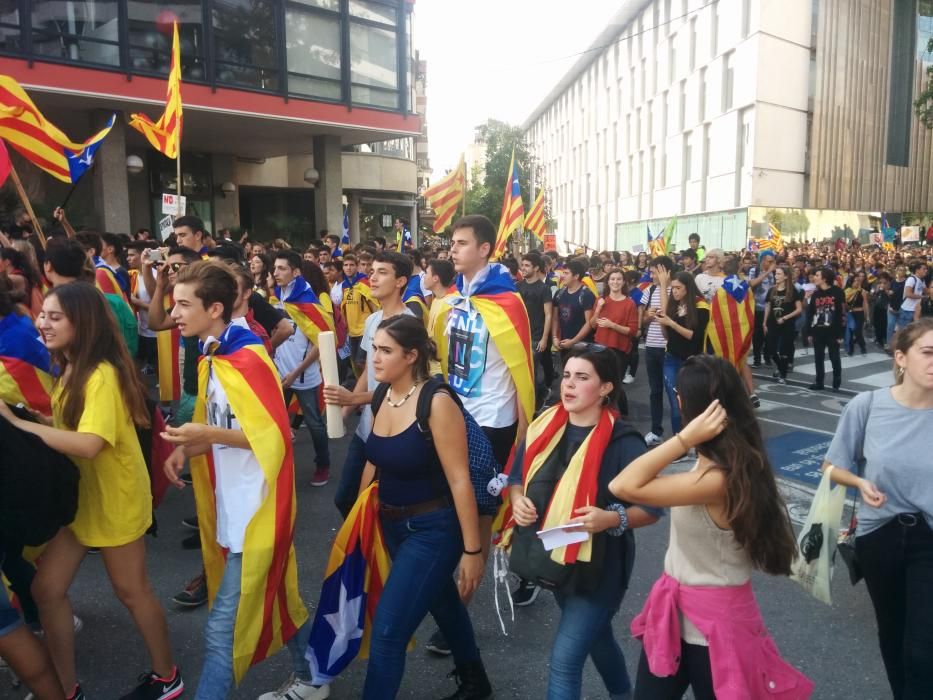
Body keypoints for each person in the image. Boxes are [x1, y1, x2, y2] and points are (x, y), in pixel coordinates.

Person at [0, 282, 182, 700]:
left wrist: (17, 425)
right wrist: (29, 419)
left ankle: (167, 676)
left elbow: (89, 443)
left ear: (82, 323)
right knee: (46, 591)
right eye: (42, 314)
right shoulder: (70, 366)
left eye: (55, 316)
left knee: (131, 592)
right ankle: (64, 688)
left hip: (114, 499)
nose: (42, 323)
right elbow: (69, 433)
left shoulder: (100, 374)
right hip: (82, 498)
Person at [161, 261, 320, 700]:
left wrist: (206, 436)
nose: (174, 314)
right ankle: (312, 677)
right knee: (280, 598)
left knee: (220, 633)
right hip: (235, 506)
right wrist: (186, 447)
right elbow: (224, 425)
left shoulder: (248, 357)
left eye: (183, 304)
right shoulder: (215, 353)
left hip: (259, 513)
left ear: (214, 308)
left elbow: (276, 436)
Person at [610, 355, 812, 700]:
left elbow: (623, 486)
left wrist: (683, 439)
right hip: (676, 615)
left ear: (684, 405)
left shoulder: (717, 479)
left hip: (716, 627)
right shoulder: (728, 464)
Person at [506, 345, 662, 700]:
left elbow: (652, 509)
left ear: (606, 388)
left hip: (599, 568)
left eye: (582, 377)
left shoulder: (624, 442)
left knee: (565, 660)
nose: (569, 385)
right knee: (597, 638)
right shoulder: (544, 424)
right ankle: (624, 694)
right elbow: (516, 478)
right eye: (566, 376)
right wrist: (519, 502)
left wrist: (610, 518)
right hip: (554, 559)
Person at [359, 315, 488, 699]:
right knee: (443, 603)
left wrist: (472, 550)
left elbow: (459, 479)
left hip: (432, 529)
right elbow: (374, 459)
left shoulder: (437, 401)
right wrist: (358, 520)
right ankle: (476, 681)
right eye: (375, 349)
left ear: (411, 355)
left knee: (387, 633)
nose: (375, 358)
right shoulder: (383, 394)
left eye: (385, 351)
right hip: (391, 523)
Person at [820, 318, 933, 700]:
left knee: (924, 648)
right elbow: (832, 466)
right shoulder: (867, 406)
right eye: (928, 352)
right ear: (901, 358)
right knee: (892, 633)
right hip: (879, 536)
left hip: (929, 539)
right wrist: (860, 482)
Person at [430, 215, 535, 610]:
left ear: (485, 249)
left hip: (494, 420)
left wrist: (524, 437)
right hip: (454, 413)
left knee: (481, 512)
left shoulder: (509, 303)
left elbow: (522, 370)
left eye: (460, 243)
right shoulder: (451, 302)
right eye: (452, 243)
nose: (452, 250)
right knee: (452, 506)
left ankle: (462, 605)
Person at [324, 251, 415, 517]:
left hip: (392, 431)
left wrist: (351, 399)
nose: (372, 278)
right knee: (347, 499)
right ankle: (366, 552)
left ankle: (377, 554)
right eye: (371, 271)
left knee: (379, 506)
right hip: (367, 428)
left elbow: (403, 388)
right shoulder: (373, 320)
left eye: (381, 272)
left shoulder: (409, 324)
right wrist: (346, 409)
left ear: (400, 281)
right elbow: (368, 373)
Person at [271, 250, 332, 487]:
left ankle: (323, 464)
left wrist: (296, 372)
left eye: (282, 268)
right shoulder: (276, 297)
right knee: (274, 421)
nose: (276, 273)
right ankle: (275, 465)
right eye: (275, 268)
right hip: (278, 373)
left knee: (315, 423)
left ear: (296, 272)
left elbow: (322, 344)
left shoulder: (309, 303)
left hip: (304, 375)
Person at [655, 271, 709, 442]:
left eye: (678, 288)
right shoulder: (674, 306)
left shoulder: (701, 307)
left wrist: (671, 323)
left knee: (694, 402)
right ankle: (680, 444)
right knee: (674, 402)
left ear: (688, 288)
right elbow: (666, 336)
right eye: (673, 289)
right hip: (671, 357)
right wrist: (661, 321)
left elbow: (694, 336)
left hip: (693, 361)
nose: (675, 292)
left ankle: (698, 440)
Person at [591, 268, 638, 417]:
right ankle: (602, 413)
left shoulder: (629, 304)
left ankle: (622, 414)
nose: (615, 282)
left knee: (615, 384)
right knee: (599, 382)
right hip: (600, 347)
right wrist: (598, 309)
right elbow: (592, 324)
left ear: (623, 282)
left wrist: (613, 325)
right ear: (608, 281)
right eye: (612, 279)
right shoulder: (600, 300)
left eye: (618, 279)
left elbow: (632, 331)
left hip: (619, 349)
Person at [640, 256, 674, 446]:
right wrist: (647, 316)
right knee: (655, 391)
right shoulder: (649, 290)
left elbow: (669, 314)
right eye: (651, 272)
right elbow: (643, 319)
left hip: (669, 348)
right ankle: (655, 430)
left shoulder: (676, 289)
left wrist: (663, 286)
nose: (651, 275)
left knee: (673, 391)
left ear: (666, 272)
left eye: (655, 272)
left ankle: (682, 431)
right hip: (651, 346)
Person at [519, 252, 556, 410]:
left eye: (527, 266)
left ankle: (532, 406)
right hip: (519, 336)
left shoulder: (544, 289)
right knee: (522, 373)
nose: (523, 268)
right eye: (522, 265)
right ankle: (540, 394)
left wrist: (544, 338)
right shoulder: (517, 286)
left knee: (531, 374)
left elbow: (549, 315)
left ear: (536, 268)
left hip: (535, 337)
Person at [806, 268, 845, 391]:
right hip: (818, 331)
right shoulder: (815, 294)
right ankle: (819, 382)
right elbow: (811, 314)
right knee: (818, 358)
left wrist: (841, 334)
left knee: (834, 357)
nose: (814, 277)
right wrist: (809, 332)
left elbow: (842, 313)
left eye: (817, 275)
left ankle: (836, 380)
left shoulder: (838, 292)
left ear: (824, 278)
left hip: (833, 332)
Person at [763, 265, 803, 384]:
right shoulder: (772, 290)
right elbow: (768, 306)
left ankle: (783, 375)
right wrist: (764, 322)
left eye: (779, 274)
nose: (776, 276)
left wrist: (785, 318)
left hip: (787, 324)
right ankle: (781, 368)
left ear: (786, 276)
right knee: (770, 349)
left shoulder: (792, 291)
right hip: (772, 323)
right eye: (776, 274)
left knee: (784, 350)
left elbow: (799, 309)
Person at [553, 258, 597, 363]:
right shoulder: (559, 294)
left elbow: (589, 323)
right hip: (564, 343)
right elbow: (555, 318)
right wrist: (554, 337)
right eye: (563, 272)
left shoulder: (586, 295)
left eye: (566, 273)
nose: (563, 275)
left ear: (576, 276)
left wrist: (573, 341)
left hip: (583, 345)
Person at [747, 251, 776, 367]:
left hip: (769, 307)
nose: (772, 264)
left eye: (773, 261)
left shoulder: (773, 273)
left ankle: (768, 357)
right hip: (757, 308)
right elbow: (752, 283)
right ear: (763, 260)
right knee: (757, 335)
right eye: (769, 261)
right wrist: (767, 272)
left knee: (769, 334)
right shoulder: (754, 271)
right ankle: (757, 359)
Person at [844, 270, 870, 356]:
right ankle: (850, 350)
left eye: (858, 281)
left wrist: (867, 316)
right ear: (850, 282)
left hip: (860, 313)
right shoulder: (847, 291)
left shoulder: (862, 291)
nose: (856, 282)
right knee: (851, 332)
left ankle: (863, 347)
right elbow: (844, 304)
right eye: (854, 281)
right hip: (850, 314)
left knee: (858, 331)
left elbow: (865, 304)